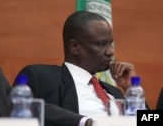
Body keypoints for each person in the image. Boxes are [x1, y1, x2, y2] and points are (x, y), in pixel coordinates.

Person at [13, 10, 144, 126]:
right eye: (101, 44)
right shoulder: (42, 78)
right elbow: (26, 110)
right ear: (74, 47)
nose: (110, 52)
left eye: (110, 44)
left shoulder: (115, 92)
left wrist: (130, 89)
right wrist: (86, 122)